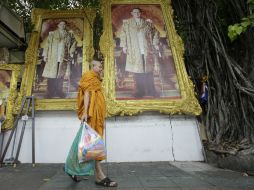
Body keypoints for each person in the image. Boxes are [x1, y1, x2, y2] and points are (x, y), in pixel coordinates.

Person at [64, 60, 117, 187]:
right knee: (94, 144)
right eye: (99, 66)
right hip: (91, 115)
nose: (101, 68)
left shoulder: (97, 79)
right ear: (93, 67)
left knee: (88, 144)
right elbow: (86, 94)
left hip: (97, 116)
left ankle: (71, 168)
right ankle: (99, 176)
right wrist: (85, 112)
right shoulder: (88, 76)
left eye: (101, 67)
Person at [120, 8, 160, 98]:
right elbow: (123, 34)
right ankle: (139, 92)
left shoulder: (147, 23)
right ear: (132, 13)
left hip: (146, 50)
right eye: (135, 12)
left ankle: (151, 91)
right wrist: (124, 46)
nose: (137, 13)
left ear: (140, 13)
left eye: (138, 12)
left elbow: (156, 33)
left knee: (149, 71)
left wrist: (155, 43)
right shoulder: (127, 24)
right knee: (137, 72)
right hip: (135, 51)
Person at [42, 21, 77, 98]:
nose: (63, 25)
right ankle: (50, 93)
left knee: (60, 76)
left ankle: (59, 92)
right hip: (53, 57)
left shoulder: (69, 34)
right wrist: (45, 55)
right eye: (61, 24)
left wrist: (71, 52)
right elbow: (47, 44)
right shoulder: (52, 34)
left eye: (64, 24)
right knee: (51, 76)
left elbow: (74, 43)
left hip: (63, 56)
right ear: (58, 25)